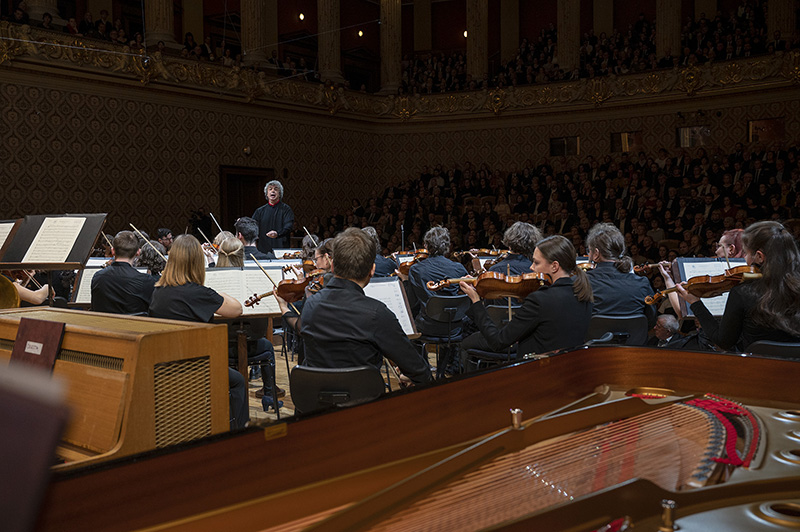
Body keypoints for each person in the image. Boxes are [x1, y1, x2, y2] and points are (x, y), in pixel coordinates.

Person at [287, 228, 431, 385]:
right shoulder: (377, 314)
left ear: (333, 266)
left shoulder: (310, 305)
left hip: (316, 404)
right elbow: (420, 372)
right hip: (364, 405)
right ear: (372, 270)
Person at [148, 235, 249, 429]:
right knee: (237, 381)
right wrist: (216, 292)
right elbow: (236, 309)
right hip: (195, 367)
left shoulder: (158, 291)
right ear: (196, 262)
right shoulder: (198, 293)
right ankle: (237, 433)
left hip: (164, 364)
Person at [459, 235, 594, 358]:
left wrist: (476, 301)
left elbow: (498, 341)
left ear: (554, 266)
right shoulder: (584, 293)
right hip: (568, 369)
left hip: (534, 372)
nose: (531, 267)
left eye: (536, 263)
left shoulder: (540, 300)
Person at [676, 221, 800, 352]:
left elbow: (723, 341)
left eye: (746, 253)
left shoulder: (744, 293)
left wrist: (695, 302)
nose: (744, 260)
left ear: (759, 256)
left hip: (756, 369)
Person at [584, 223, 657, 331]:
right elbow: (651, 321)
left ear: (596, 253)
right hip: (633, 346)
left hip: (594, 347)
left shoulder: (582, 282)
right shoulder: (642, 283)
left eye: (589, 251)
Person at [402, 226, 468, 336]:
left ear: (426, 245)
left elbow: (412, 303)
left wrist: (405, 281)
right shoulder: (459, 268)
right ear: (447, 246)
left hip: (427, 327)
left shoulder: (416, 270)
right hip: (454, 327)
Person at [91, 231, 155, 315]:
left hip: (104, 326)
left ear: (113, 251)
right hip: (135, 326)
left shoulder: (98, 277)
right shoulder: (146, 280)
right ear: (138, 252)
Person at [252, 180, 294, 256]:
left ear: (279, 193)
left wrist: (277, 233)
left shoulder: (286, 209)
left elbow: (289, 226)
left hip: (281, 249)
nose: (273, 191)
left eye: (276, 189)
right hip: (263, 249)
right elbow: (252, 227)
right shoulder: (260, 211)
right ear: (267, 194)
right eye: (270, 189)